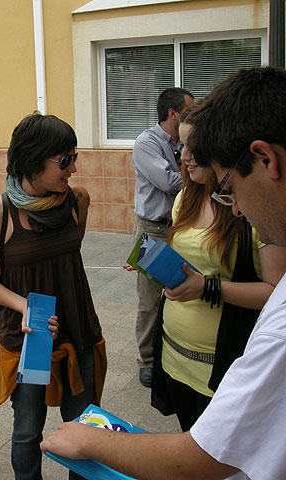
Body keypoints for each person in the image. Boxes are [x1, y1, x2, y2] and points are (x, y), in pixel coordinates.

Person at [41, 66, 286, 480]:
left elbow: (202, 456)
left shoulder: (277, 329)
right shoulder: (186, 198)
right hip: (178, 355)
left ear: (265, 159)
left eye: (230, 186)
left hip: (218, 358)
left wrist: (89, 440)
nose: (237, 208)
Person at [0, 113, 106, 480]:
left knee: (86, 427)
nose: (74, 169)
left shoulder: (77, 199)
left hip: (77, 328)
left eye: (74, 158)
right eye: (65, 160)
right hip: (29, 336)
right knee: (28, 431)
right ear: (33, 158)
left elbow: (68, 253)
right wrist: (24, 307)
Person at [151, 112, 286, 431]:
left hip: (223, 365)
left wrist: (207, 288)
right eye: (180, 145)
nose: (183, 156)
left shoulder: (256, 207)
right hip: (174, 356)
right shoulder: (184, 198)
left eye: (192, 145)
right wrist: (157, 263)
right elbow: (188, 257)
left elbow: (276, 292)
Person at [131, 87, 194, 387]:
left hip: (178, 228)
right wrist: (197, 171)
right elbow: (169, 182)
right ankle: (147, 360)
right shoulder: (147, 142)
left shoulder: (180, 143)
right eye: (188, 111)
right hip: (153, 230)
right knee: (150, 299)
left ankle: (169, 350)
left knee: (178, 292)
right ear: (173, 113)